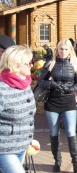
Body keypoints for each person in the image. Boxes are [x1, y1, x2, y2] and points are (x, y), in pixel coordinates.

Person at [38, 39, 77, 173]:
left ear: (70, 50)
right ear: (57, 50)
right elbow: (41, 81)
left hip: (68, 101)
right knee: (54, 132)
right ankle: (57, 162)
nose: (63, 52)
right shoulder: (50, 64)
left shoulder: (75, 64)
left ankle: (76, 163)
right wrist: (52, 85)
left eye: (66, 49)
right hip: (52, 102)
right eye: (61, 49)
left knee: (71, 131)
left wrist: (70, 90)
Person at [0, 45, 36, 173]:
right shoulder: (2, 89)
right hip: (4, 148)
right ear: (16, 65)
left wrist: (29, 139)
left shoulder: (25, 84)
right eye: (28, 63)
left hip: (21, 145)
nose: (32, 66)